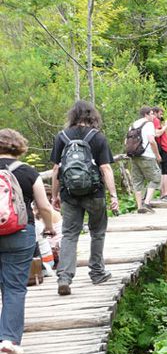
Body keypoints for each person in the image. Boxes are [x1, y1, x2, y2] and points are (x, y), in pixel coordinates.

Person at [50, 101, 119, 296]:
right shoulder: (97, 137)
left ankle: (64, 277)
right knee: (97, 232)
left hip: (69, 194)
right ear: (92, 116)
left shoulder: (62, 137)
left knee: (70, 234)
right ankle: (97, 272)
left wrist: (54, 196)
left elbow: (56, 169)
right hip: (95, 193)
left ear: (72, 116)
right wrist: (113, 195)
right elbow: (105, 168)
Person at [0, 129, 56, 354]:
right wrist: (50, 227)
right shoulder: (28, 172)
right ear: (19, 147)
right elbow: (43, 206)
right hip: (20, 232)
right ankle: (9, 339)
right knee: (14, 286)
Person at [128, 106, 162, 213]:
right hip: (147, 155)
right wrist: (157, 155)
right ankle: (146, 203)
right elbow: (152, 141)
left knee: (137, 181)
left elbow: (126, 141)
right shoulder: (149, 124)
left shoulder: (133, 125)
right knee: (156, 178)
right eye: (151, 113)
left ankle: (139, 207)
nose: (153, 116)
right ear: (146, 115)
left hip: (134, 156)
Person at [152, 107, 167, 202]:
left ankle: (163, 193)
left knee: (163, 171)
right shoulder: (155, 120)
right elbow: (157, 133)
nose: (162, 116)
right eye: (160, 114)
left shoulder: (154, 121)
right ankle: (166, 194)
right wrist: (166, 126)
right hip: (164, 148)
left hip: (162, 148)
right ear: (155, 113)